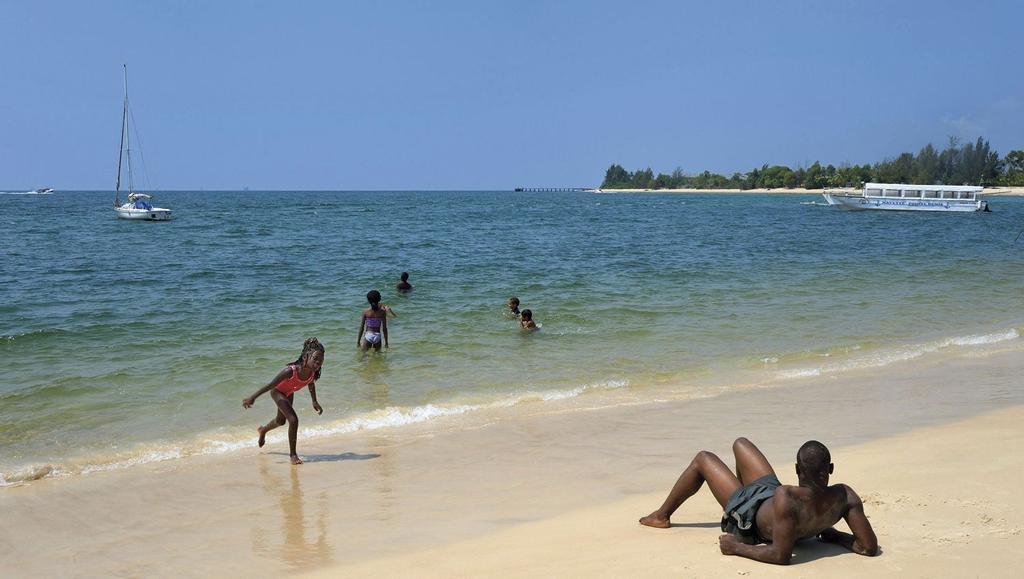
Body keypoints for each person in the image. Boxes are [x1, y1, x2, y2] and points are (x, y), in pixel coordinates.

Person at [639, 438, 878, 565]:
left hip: (748, 517)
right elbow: (868, 546)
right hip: (770, 495)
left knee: (703, 458)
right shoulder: (845, 495)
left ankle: (661, 516)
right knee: (740, 443)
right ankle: (738, 490)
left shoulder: (788, 497)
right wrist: (835, 535)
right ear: (831, 469)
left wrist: (737, 548)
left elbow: (780, 556)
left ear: (797, 469)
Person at [242, 337, 325, 465]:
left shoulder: (312, 373)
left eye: (321, 360)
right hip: (277, 392)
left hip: (289, 393)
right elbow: (271, 385)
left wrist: (314, 401)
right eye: (315, 359)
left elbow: (311, 384)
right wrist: (253, 397)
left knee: (280, 421)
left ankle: (263, 430)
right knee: (293, 419)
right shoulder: (290, 371)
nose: (318, 362)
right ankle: (293, 455)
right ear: (305, 357)